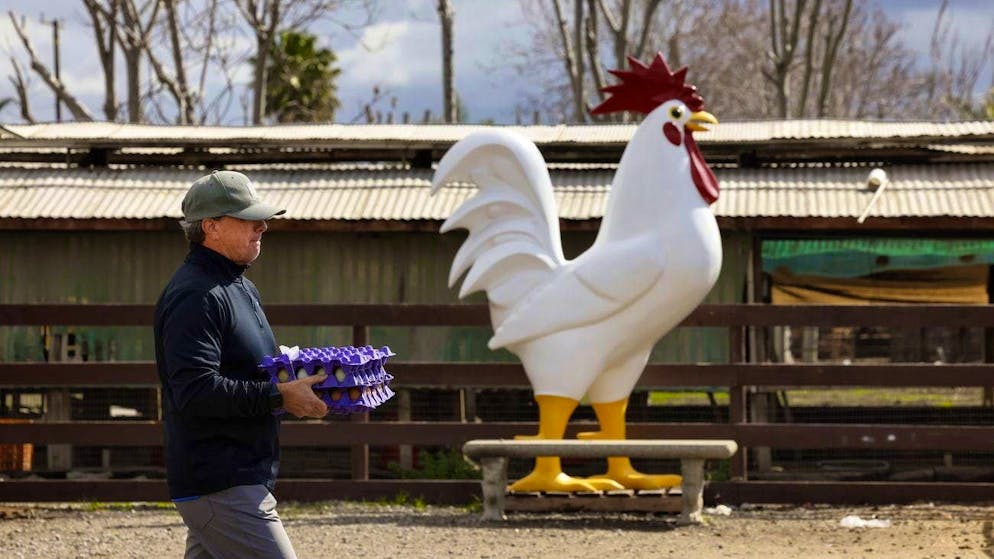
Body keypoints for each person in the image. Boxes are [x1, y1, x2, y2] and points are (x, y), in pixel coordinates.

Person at [154, 170, 329, 559]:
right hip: (222, 482)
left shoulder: (237, 286)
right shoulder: (197, 295)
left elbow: (242, 370)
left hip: (233, 478)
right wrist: (279, 395)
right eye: (249, 219)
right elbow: (196, 391)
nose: (262, 226)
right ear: (211, 227)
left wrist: (295, 376)